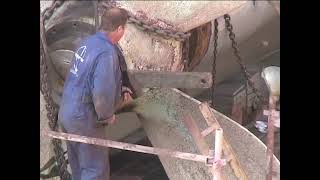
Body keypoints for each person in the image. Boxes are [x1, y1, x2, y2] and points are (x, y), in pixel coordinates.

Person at [58, 7, 132, 180]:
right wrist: (107, 116)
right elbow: (101, 93)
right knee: (94, 171)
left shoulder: (87, 42)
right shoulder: (106, 52)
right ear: (120, 29)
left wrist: (120, 88)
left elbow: (84, 78)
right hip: (83, 119)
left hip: (67, 112)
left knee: (79, 167)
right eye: (124, 29)